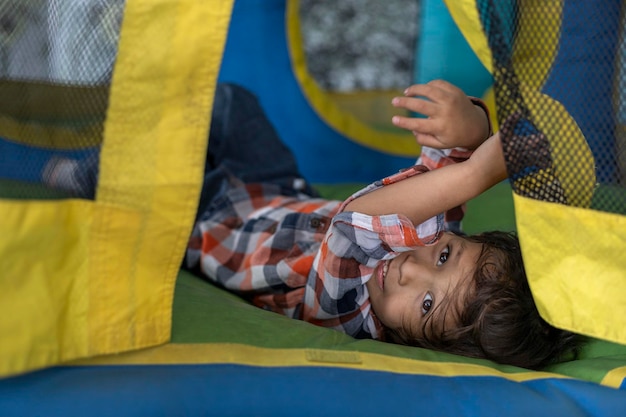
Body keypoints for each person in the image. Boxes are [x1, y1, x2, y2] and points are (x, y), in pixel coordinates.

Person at [44, 81, 581, 370]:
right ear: (457, 241)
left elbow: (353, 226)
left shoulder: (349, 314)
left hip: (209, 220)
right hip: (278, 192)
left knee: (159, 167)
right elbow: (442, 164)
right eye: (445, 257)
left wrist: (476, 175)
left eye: (424, 305)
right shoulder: (428, 236)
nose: (412, 270)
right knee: (232, 102)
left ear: (414, 343)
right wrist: (472, 127)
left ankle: (85, 176)